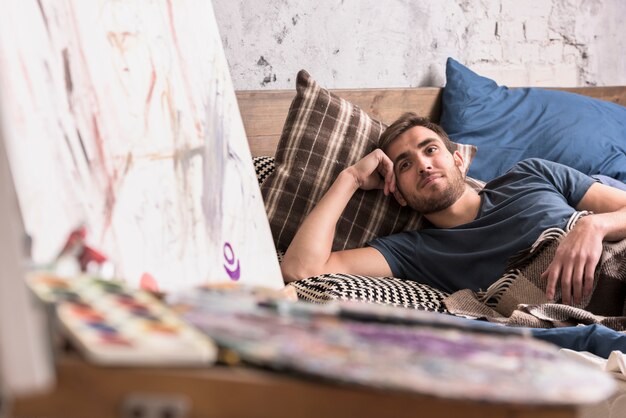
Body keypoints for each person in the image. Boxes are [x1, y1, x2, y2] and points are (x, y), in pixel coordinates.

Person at [281, 112, 626, 307]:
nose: (423, 165)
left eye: (430, 150)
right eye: (404, 165)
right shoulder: (414, 250)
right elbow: (301, 270)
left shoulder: (532, 174)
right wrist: (351, 178)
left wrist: (592, 227)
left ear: (459, 160)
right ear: (397, 193)